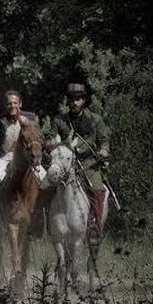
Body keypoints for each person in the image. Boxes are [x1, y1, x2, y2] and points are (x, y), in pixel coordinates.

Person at [48, 83, 111, 242]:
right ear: (68, 101)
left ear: (84, 100)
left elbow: (104, 141)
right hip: (64, 163)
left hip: (88, 163)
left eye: (78, 99)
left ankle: (94, 226)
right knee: (45, 185)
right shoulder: (59, 120)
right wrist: (52, 143)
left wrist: (103, 151)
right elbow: (50, 139)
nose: (74, 102)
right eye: (71, 99)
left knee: (97, 190)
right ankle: (44, 223)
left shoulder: (95, 119)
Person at [0, 90, 39, 187]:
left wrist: (37, 157)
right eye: (9, 103)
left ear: (20, 104)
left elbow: (39, 140)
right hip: (5, 159)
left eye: (15, 103)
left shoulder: (30, 119)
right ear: (5, 106)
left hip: (27, 159)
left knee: (45, 182)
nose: (12, 106)